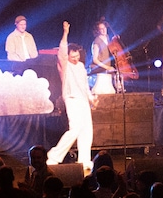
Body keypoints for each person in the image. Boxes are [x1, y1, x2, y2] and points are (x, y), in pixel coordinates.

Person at [46, 21, 97, 171]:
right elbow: (62, 51)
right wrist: (65, 33)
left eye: (77, 55)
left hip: (82, 100)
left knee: (87, 130)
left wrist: (91, 99)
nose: (75, 58)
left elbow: (85, 86)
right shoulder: (65, 66)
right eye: (72, 56)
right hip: (72, 99)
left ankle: (84, 160)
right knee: (74, 129)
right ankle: (53, 157)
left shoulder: (81, 66)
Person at [90, 18, 119, 94]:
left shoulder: (107, 37)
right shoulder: (97, 41)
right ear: (98, 31)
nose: (103, 30)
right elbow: (95, 59)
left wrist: (114, 40)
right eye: (101, 29)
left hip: (107, 66)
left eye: (104, 28)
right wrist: (107, 67)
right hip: (99, 67)